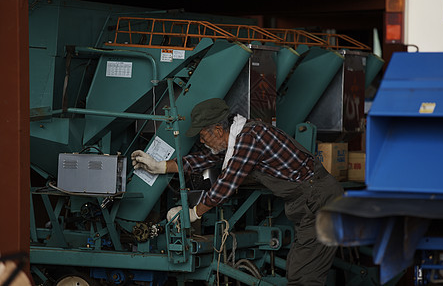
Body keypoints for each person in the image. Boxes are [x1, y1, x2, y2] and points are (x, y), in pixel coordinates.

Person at [131, 98, 343, 285]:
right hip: (311, 201)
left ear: (217, 129)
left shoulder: (250, 138)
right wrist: (160, 166)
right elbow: (203, 160)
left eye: (203, 136)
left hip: (318, 201)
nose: (201, 142)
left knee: (303, 275)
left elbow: (225, 186)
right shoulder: (236, 139)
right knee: (301, 269)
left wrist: (193, 213)